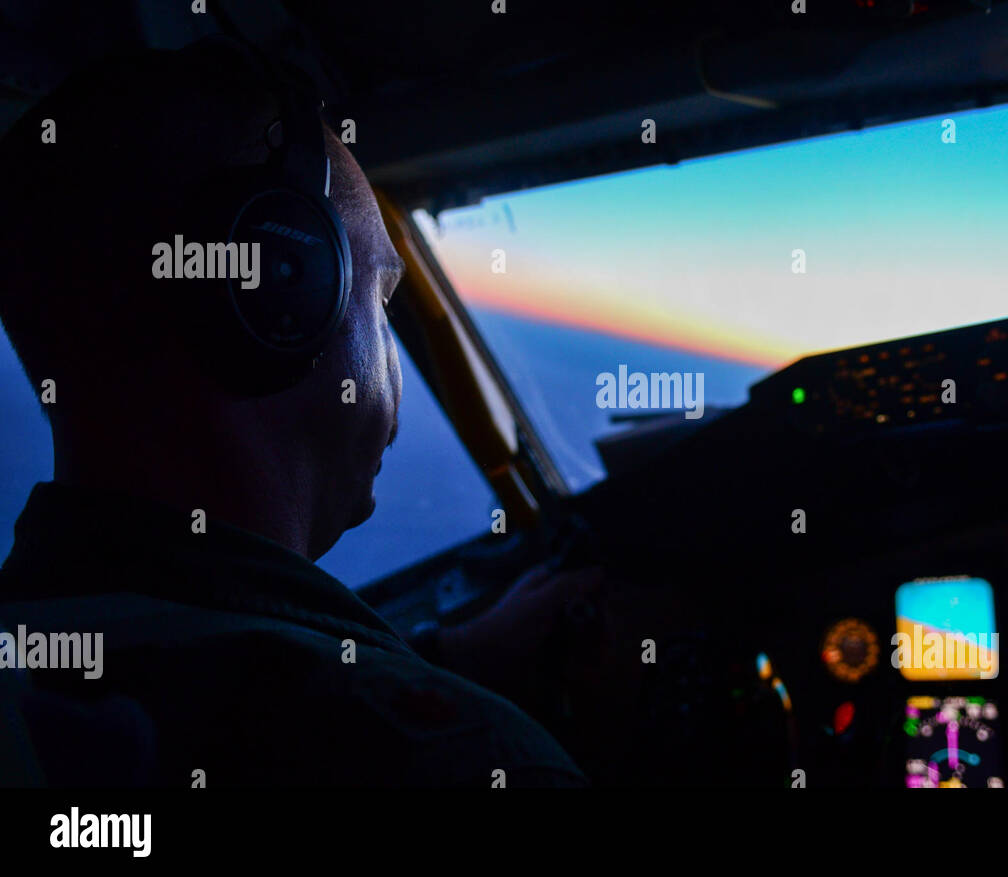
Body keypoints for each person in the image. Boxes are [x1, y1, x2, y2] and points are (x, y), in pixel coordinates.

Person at [0, 42, 596, 786]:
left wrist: (447, 655)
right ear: (277, 294)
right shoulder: (459, 762)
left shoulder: (38, 656)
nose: (394, 358)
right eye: (379, 296)